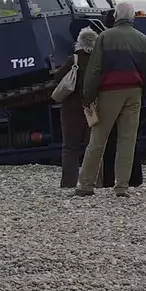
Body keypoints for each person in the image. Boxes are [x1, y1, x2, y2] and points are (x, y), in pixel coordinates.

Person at [76, 1, 146, 197]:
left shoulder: (105, 37)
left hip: (109, 92)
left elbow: (95, 70)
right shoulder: (143, 39)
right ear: (132, 17)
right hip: (134, 92)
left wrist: (88, 96)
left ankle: (86, 185)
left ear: (116, 16)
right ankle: (121, 186)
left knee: (98, 139)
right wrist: (143, 91)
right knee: (127, 140)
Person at [54, 28, 98, 189]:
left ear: (79, 42)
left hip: (71, 109)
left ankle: (68, 182)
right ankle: (92, 180)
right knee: (92, 146)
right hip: (92, 109)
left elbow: (58, 78)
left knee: (70, 147)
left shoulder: (73, 59)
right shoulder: (97, 61)